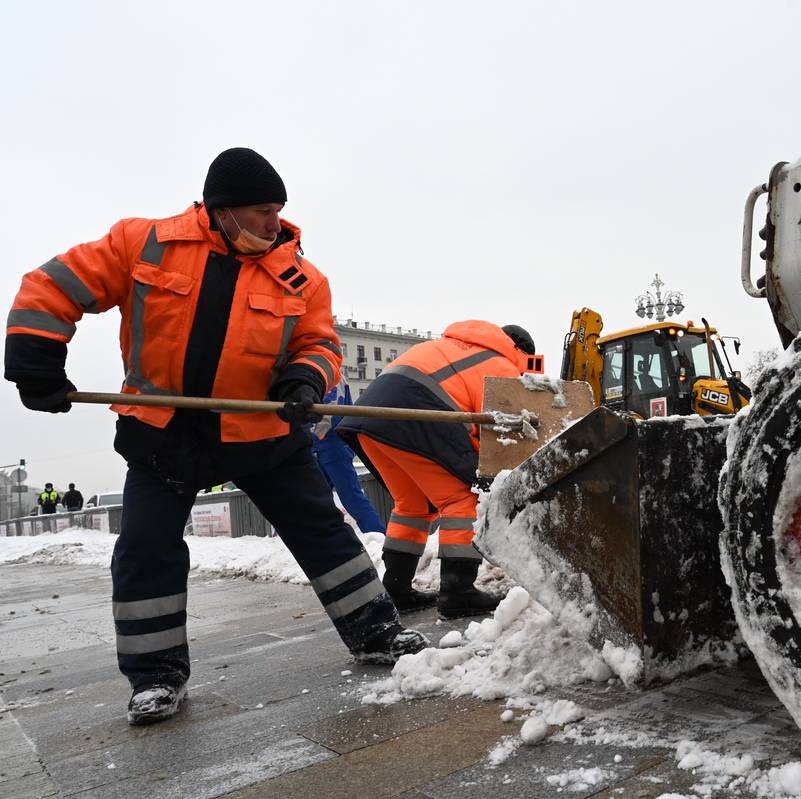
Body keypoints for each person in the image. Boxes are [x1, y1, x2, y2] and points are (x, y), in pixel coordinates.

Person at [4, 147, 427, 726]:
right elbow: (52, 286)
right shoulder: (142, 242)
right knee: (146, 550)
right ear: (223, 209)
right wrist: (37, 359)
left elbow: (321, 344)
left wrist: (306, 377)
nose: (274, 223)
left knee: (324, 533)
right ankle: (155, 679)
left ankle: (377, 631)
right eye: (262, 211)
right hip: (163, 434)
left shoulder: (301, 277)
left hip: (263, 433)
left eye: (279, 210)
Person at [338, 321, 536, 618]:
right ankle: (458, 593)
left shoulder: (452, 346)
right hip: (420, 412)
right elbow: (500, 438)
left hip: (372, 417)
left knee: (413, 506)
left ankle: (396, 589)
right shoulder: (501, 364)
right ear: (520, 351)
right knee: (463, 499)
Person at [311, 379, 386, 533]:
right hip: (322, 443)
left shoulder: (330, 374)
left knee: (350, 495)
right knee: (317, 499)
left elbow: (330, 410)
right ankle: (329, 538)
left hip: (332, 442)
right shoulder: (321, 371)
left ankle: (377, 536)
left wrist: (308, 437)